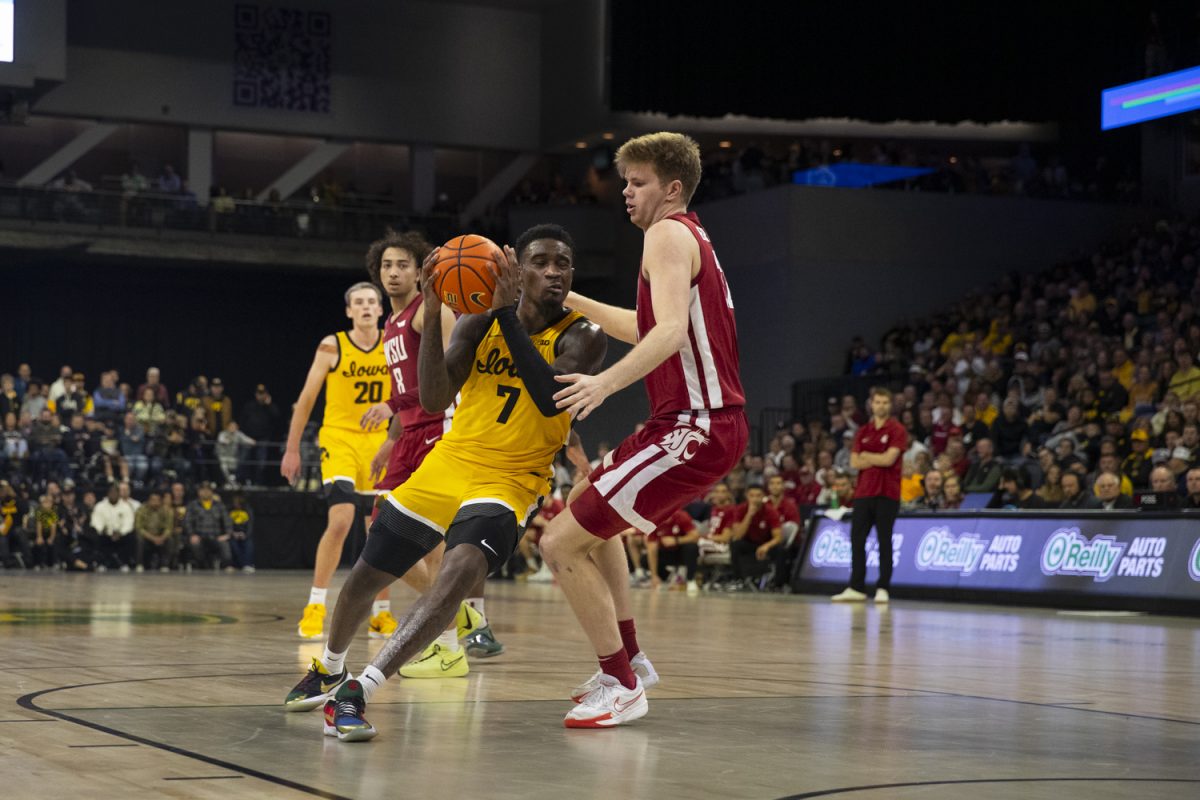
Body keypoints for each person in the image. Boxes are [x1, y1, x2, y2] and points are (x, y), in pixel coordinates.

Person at [290, 224, 605, 742]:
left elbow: (550, 398)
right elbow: (434, 399)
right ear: (515, 269)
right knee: (370, 570)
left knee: (458, 570)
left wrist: (505, 314)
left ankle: (359, 690)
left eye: (564, 264)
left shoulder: (582, 335)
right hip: (452, 459)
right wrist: (434, 308)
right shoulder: (478, 323)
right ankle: (329, 666)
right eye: (541, 262)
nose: (554, 272)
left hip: (513, 477)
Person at [539, 132, 747, 728]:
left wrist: (602, 384)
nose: (625, 192)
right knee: (584, 508)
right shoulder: (686, 237)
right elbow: (645, 325)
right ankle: (630, 659)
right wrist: (567, 300)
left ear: (671, 188)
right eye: (625, 182)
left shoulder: (667, 233)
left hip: (696, 425)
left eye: (637, 182)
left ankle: (622, 682)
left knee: (558, 543)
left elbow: (669, 335)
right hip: (693, 423)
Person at [355, 230, 503, 662]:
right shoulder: (391, 323)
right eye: (387, 265)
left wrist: (393, 407)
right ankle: (459, 616)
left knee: (433, 543)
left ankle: (447, 644)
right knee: (379, 533)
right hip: (410, 435)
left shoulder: (428, 312)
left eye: (403, 264)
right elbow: (406, 388)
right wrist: (390, 439)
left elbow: (450, 369)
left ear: (420, 272)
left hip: (441, 429)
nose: (394, 272)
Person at [281, 282, 393, 639]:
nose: (365, 307)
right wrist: (292, 448)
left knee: (381, 528)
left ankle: (382, 611)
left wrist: (392, 414)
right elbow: (307, 396)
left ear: (380, 309)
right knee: (342, 519)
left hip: (380, 443)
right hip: (339, 439)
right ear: (348, 311)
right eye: (358, 302)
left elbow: (410, 393)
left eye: (371, 302)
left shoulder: (394, 344)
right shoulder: (333, 345)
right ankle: (315, 605)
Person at [832, 386, 906, 604]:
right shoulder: (863, 431)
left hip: (887, 493)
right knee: (857, 539)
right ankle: (856, 586)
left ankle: (883, 586)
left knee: (884, 540)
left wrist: (867, 455)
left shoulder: (897, 430)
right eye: (877, 402)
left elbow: (889, 460)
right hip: (863, 492)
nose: (881, 406)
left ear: (890, 405)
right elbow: (854, 462)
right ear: (871, 404)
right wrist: (877, 457)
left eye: (885, 402)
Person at [185, 481, 232, 569]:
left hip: (215, 537)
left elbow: (227, 521)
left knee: (224, 545)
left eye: (208, 490)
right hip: (199, 537)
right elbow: (187, 521)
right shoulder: (192, 505)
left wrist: (227, 534)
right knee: (196, 546)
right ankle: (202, 567)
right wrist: (192, 535)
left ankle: (226, 567)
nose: (205, 492)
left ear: (212, 492)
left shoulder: (219, 505)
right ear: (199, 492)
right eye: (203, 490)